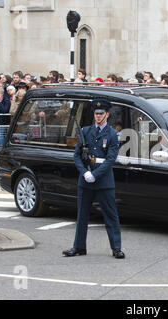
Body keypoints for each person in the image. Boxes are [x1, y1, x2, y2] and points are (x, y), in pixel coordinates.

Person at [63, 99, 125, 259]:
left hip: (103, 180)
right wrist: (84, 172)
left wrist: (94, 175)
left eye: (101, 114)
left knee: (110, 215)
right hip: (86, 179)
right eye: (96, 114)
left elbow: (111, 159)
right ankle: (78, 246)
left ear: (107, 115)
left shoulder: (112, 134)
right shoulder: (85, 131)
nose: (98, 117)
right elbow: (77, 155)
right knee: (82, 215)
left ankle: (116, 247)